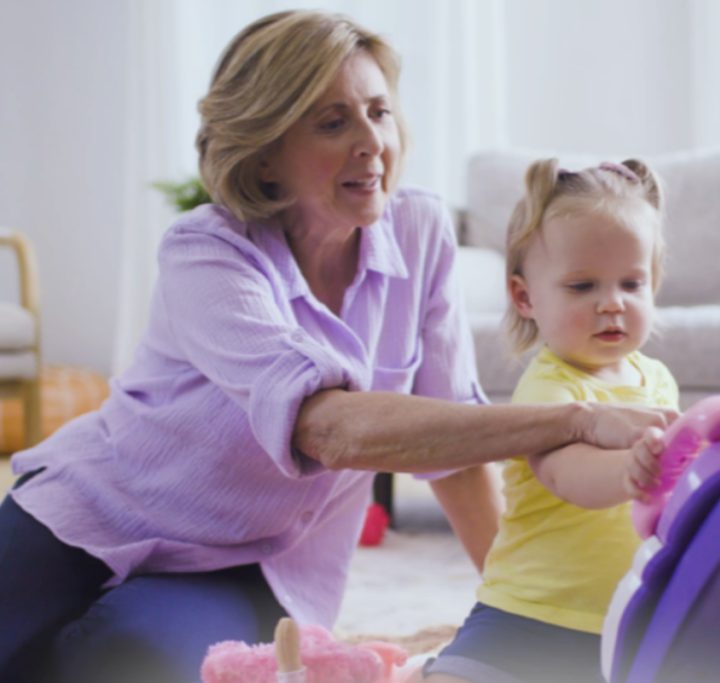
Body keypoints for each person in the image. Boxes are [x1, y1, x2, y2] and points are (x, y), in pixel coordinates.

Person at [0, 12, 675, 683]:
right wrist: (577, 417)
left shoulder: (421, 231)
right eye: (332, 122)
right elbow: (328, 428)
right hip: (94, 507)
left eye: (379, 113)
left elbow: (457, 455)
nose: (371, 143)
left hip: (253, 561)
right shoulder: (207, 251)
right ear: (265, 149)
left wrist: (512, 620)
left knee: (126, 662)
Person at [420, 158, 679, 683]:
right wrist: (633, 470)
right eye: (582, 287)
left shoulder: (657, 380)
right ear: (524, 296)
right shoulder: (550, 389)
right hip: (530, 614)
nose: (612, 305)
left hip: (628, 619)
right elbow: (568, 474)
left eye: (631, 284)